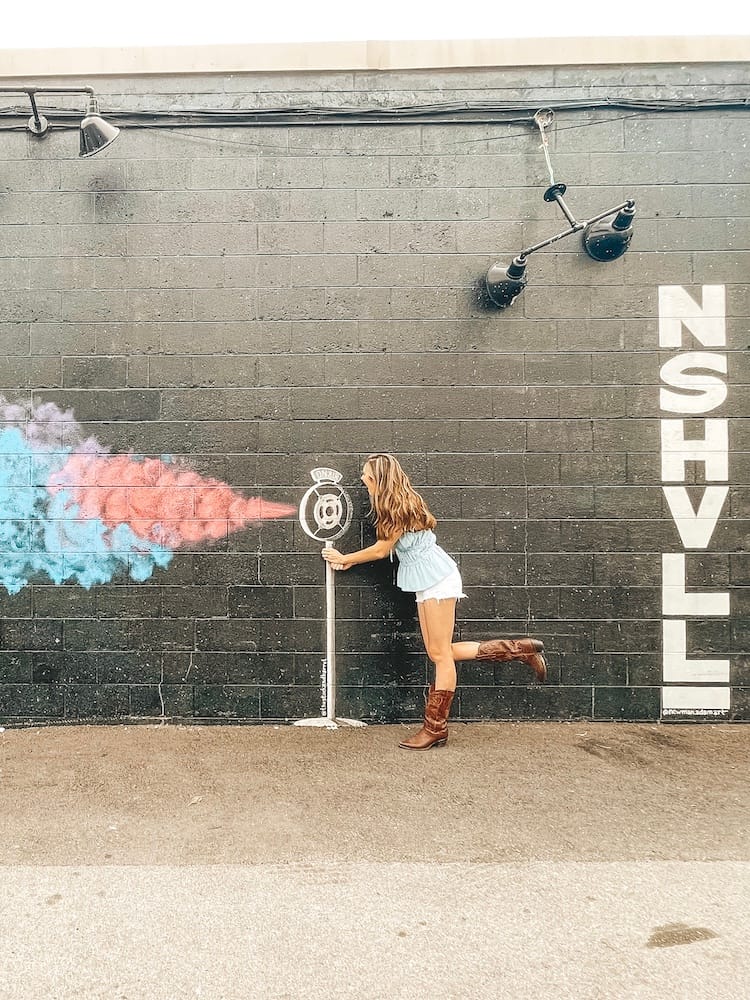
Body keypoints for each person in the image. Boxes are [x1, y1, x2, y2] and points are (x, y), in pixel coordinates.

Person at [322, 453, 546, 751]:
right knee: (439, 652)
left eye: (367, 476)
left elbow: (381, 550)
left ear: (379, 479)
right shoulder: (398, 502)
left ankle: (435, 728)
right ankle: (520, 650)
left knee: (440, 656)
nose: (362, 480)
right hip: (428, 579)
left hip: (437, 580)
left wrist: (345, 559)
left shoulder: (397, 506)